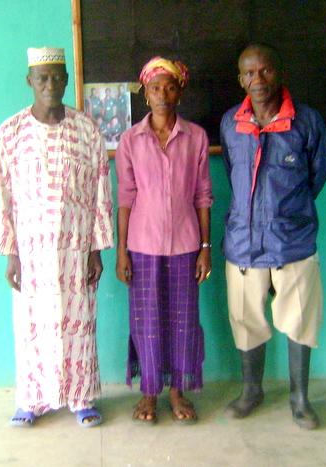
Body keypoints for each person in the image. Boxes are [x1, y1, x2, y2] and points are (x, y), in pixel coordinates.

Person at [0, 47, 114, 427]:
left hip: (76, 250)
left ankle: (82, 399)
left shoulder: (87, 130)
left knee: (79, 324)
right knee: (32, 327)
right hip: (32, 253)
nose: (50, 85)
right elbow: (0, 194)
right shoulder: (10, 133)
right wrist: (11, 254)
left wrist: (96, 250)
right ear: (30, 81)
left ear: (67, 80)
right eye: (42, 78)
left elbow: (100, 191)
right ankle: (31, 401)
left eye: (57, 77)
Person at [220, 44, 326, 429]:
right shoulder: (231, 123)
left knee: (300, 319)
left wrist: (287, 214)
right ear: (241, 79)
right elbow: (232, 171)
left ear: (279, 73)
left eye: (265, 71)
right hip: (244, 243)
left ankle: (300, 399)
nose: (258, 80)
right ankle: (252, 391)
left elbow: (316, 176)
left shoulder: (307, 122)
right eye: (249, 73)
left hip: (292, 242)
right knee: (245, 319)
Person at [115, 57, 213, 424]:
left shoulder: (196, 137)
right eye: (155, 88)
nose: (162, 95)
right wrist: (122, 252)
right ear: (145, 94)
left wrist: (205, 248)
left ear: (179, 93)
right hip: (142, 247)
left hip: (186, 246)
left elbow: (203, 196)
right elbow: (126, 198)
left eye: (170, 87)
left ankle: (177, 392)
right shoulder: (130, 140)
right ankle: (149, 392)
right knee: (147, 322)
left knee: (183, 321)